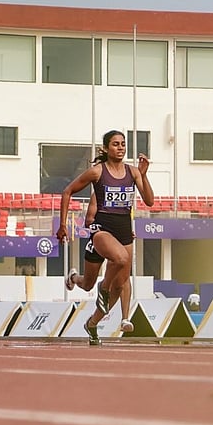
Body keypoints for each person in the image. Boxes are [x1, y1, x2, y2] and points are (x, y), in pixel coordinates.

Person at [56, 129, 154, 345]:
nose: (120, 148)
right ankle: (103, 288)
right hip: (101, 228)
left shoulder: (133, 172)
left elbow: (149, 201)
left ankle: (92, 323)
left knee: (117, 286)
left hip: (123, 228)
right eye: (116, 144)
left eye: (123, 144)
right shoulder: (97, 172)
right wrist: (63, 225)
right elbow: (67, 192)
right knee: (120, 259)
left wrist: (144, 175)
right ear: (106, 148)